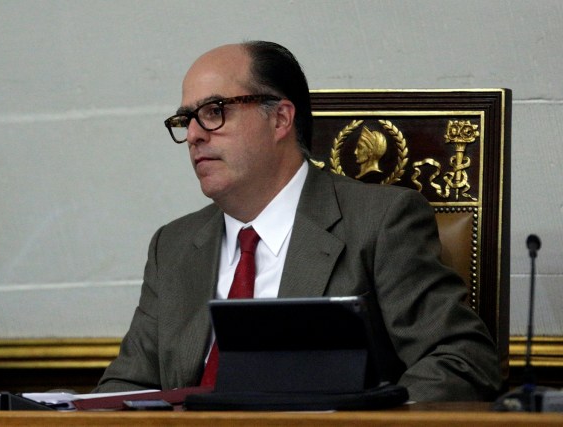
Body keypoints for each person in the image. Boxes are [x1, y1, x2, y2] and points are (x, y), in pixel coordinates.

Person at [94, 41, 502, 401]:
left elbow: (461, 359)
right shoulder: (175, 244)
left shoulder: (379, 222)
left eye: (215, 112)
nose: (196, 135)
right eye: (187, 120)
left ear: (281, 119)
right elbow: (127, 384)